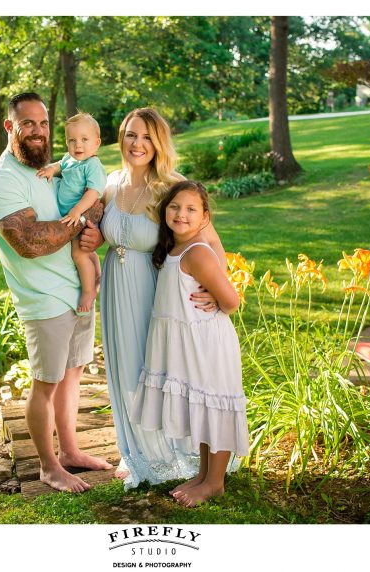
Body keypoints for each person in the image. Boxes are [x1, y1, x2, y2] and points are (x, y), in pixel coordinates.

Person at [79, 108, 227, 489]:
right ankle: (139, 454)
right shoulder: (110, 183)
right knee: (126, 370)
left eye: (146, 137)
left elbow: (211, 242)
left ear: (158, 142)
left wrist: (215, 286)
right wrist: (99, 238)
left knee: (163, 369)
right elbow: (105, 231)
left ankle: (177, 454)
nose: (137, 144)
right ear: (121, 138)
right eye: (131, 135)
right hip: (116, 289)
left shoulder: (172, 186)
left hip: (158, 290)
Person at [0, 92, 111, 493]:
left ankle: (70, 452)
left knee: (72, 378)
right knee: (46, 383)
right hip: (43, 298)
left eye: (43, 123)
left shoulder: (55, 169)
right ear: (9, 127)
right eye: (27, 124)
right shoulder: (0, 183)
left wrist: (89, 220)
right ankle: (49, 466)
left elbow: (96, 203)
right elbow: (31, 242)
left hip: (76, 289)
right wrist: (82, 220)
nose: (38, 132)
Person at [130, 180, 249, 507]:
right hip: (190, 343)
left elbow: (232, 301)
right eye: (175, 207)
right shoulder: (176, 248)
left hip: (208, 344)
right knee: (203, 406)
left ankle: (215, 482)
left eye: (191, 209)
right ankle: (203, 475)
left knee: (215, 405)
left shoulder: (196, 252)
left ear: (205, 217)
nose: (181, 214)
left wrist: (216, 297)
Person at [37, 113, 106, 313]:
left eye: (85, 140)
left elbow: (94, 192)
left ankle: (88, 291)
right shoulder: (71, 159)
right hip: (72, 216)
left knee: (78, 254)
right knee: (86, 251)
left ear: (97, 143)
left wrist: (77, 211)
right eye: (72, 140)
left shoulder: (92, 165)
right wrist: (51, 169)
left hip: (81, 216)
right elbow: (61, 164)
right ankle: (96, 273)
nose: (78, 145)